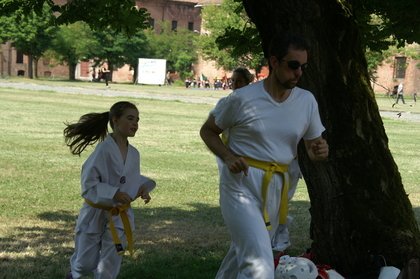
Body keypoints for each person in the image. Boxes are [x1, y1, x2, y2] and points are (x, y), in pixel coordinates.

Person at [200, 33, 329, 279]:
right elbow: (208, 131)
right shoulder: (242, 99)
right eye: (293, 65)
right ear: (274, 62)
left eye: (303, 67)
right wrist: (228, 156)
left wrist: (320, 152)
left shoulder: (306, 101)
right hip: (241, 185)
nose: (299, 72)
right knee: (259, 265)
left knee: (242, 256)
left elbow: (315, 148)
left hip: (277, 188)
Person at [63, 101, 156, 279]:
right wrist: (112, 193)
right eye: (130, 118)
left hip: (120, 215)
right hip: (95, 212)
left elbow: (130, 179)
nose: (135, 124)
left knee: (111, 263)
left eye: (137, 120)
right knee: (85, 263)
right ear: (115, 120)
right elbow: (89, 182)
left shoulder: (134, 153)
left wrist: (142, 188)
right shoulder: (104, 149)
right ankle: (74, 274)